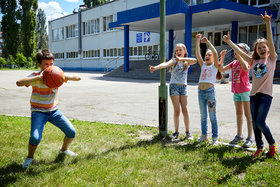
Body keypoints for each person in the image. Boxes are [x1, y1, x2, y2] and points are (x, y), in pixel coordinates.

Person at [223, 11, 277, 158]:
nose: (261, 49)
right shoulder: (253, 62)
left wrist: (267, 23)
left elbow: (271, 43)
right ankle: (260, 148)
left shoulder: (271, 59)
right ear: (256, 51)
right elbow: (238, 52)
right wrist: (229, 42)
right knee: (255, 123)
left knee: (260, 122)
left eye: (263, 47)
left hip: (266, 96)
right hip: (253, 95)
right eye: (258, 48)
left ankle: (271, 143)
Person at [16, 49, 81, 168]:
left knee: (71, 132)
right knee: (35, 138)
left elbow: (78, 78)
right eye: (46, 64)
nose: (49, 66)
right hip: (38, 112)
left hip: (54, 111)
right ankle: (29, 158)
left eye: (51, 64)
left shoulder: (56, 74)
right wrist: (37, 78)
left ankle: (64, 150)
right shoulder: (35, 76)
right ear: (39, 64)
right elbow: (19, 83)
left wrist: (64, 76)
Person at [149, 43, 197, 139]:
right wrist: (155, 67)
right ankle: (176, 132)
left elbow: (195, 60)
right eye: (177, 50)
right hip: (174, 86)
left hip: (183, 87)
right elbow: (165, 64)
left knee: (185, 110)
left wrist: (182, 59)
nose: (178, 52)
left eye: (180, 50)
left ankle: (188, 132)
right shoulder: (174, 60)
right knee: (177, 110)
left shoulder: (186, 62)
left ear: (184, 51)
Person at [219, 44, 253, 148]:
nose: (235, 51)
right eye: (235, 49)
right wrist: (222, 57)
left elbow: (245, 67)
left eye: (239, 49)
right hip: (236, 92)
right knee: (239, 113)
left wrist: (240, 56)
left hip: (245, 91)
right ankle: (239, 135)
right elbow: (221, 69)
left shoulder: (246, 62)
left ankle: (250, 137)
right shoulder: (233, 63)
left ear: (245, 52)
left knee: (248, 114)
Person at [195, 34, 220, 145]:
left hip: (210, 93)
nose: (207, 56)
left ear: (214, 58)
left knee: (212, 116)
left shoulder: (215, 66)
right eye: (206, 55)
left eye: (209, 55)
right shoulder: (203, 65)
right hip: (200, 93)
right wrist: (197, 41)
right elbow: (197, 54)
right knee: (203, 116)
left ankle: (215, 138)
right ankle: (204, 135)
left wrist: (208, 42)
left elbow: (215, 52)